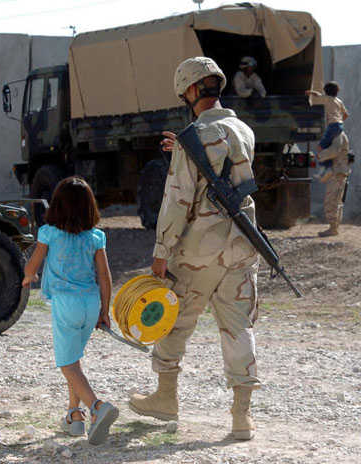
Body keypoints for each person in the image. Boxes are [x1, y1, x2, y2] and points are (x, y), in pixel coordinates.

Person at [129, 57, 261, 440]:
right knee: (238, 328)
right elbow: (225, 175)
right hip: (241, 244)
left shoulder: (193, 137)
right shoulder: (243, 130)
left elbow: (178, 199)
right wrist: (183, 155)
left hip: (198, 250)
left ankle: (165, 398)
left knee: (174, 320)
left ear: (190, 90)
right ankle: (242, 417)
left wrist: (161, 250)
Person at [22, 176, 119, 445]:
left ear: (57, 205)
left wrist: (27, 277)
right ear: (90, 206)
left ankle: (97, 407)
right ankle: (74, 417)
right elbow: (105, 275)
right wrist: (104, 311)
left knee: (66, 363)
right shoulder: (96, 236)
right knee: (74, 359)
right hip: (90, 303)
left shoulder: (48, 233)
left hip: (66, 304)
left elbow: (32, 267)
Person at [305, 81, 349, 182]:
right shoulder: (339, 101)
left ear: (326, 91)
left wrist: (310, 92)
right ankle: (327, 168)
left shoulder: (328, 99)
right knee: (328, 146)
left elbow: (317, 94)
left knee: (321, 147)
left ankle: (324, 169)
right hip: (339, 126)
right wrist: (340, 121)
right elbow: (346, 114)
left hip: (332, 126)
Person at [317, 131, 351, 237]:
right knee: (336, 200)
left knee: (332, 199)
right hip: (338, 172)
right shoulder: (338, 135)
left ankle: (333, 228)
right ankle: (334, 227)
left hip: (338, 173)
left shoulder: (338, 135)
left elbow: (334, 151)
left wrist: (320, 154)